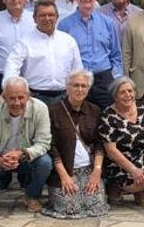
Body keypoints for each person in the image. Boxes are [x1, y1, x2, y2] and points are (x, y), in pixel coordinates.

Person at [0, 77, 53, 213]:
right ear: (4, 97)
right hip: (0, 157)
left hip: (27, 156)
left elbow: (44, 143)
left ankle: (32, 195)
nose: (17, 103)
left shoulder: (40, 108)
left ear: (28, 97)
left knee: (45, 162)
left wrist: (22, 153)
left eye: (21, 98)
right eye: (12, 98)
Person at [45, 70, 109, 219]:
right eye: (75, 85)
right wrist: (64, 176)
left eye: (83, 86)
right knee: (70, 207)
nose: (79, 90)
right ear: (67, 87)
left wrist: (97, 171)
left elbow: (99, 143)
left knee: (95, 205)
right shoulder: (54, 111)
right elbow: (52, 147)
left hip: (89, 169)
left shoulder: (95, 110)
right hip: (65, 169)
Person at [99, 77, 144, 206]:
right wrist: (133, 170)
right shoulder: (108, 116)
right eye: (122, 92)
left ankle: (139, 189)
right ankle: (120, 187)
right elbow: (111, 151)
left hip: (142, 155)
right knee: (143, 181)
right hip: (120, 162)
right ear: (115, 96)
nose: (128, 95)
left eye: (130, 91)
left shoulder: (143, 107)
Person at [4, 0, 82, 106]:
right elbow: (12, 67)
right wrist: (10, 89)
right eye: (42, 15)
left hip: (65, 98)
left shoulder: (69, 41)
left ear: (57, 17)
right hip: (35, 98)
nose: (47, 18)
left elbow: (77, 70)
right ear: (34, 19)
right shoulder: (24, 42)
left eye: (51, 15)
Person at [59, 0, 123, 109]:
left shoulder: (108, 23)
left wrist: (114, 78)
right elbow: (60, 57)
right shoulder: (64, 25)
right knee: (79, 117)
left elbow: (116, 54)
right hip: (78, 80)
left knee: (107, 116)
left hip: (103, 79)